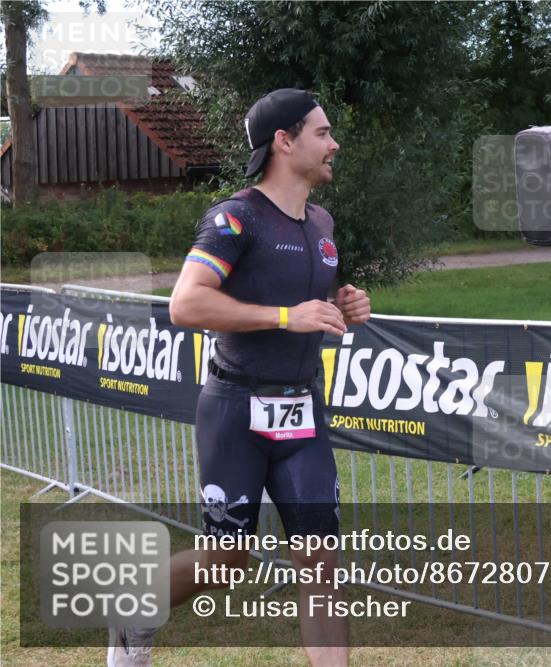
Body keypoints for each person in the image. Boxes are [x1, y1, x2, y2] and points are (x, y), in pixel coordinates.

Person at [108, 89, 370, 667]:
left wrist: (344, 304)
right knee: (225, 563)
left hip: (302, 414)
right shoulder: (235, 217)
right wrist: (285, 317)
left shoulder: (321, 221)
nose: (334, 144)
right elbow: (185, 303)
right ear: (284, 141)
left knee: (320, 566)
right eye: (323, 133)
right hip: (235, 411)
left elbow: (309, 297)